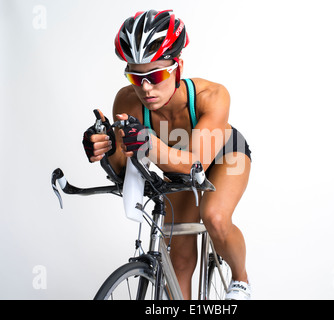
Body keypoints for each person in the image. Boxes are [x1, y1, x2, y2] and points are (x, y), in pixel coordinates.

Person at [82, 9, 252, 300]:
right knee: (180, 259)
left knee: (215, 217)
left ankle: (241, 279)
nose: (146, 89)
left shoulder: (213, 96)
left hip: (222, 154)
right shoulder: (126, 100)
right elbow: (125, 170)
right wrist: (109, 147)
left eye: (156, 75)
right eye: (136, 78)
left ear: (178, 67)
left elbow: (192, 163)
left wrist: (147, 142)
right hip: (173, 160)